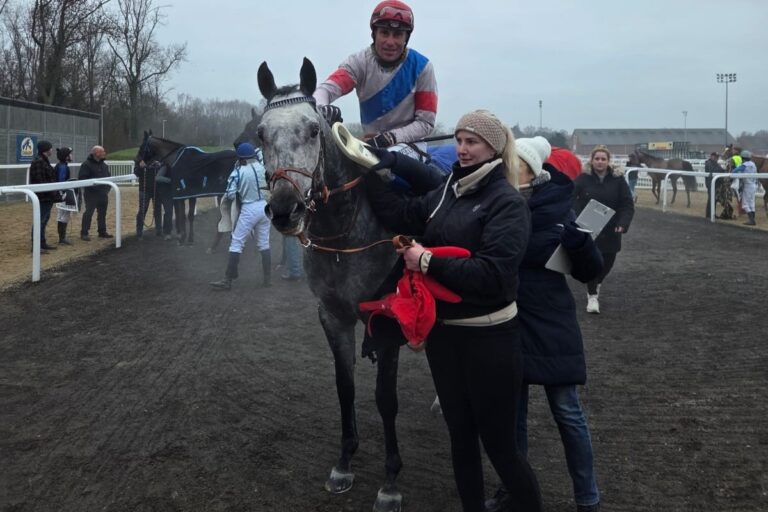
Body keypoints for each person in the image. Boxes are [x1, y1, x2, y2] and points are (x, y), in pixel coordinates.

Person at [365, 110, 542, 512]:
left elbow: (494, 275)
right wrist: (367, 170)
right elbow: (401, 214)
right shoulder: (449, 190)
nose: (462, 149)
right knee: (460, 439)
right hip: (445, 339)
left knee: (501, 449)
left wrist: (426, 262)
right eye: (459, 140)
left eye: (471, 141)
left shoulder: (508, 203)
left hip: (491, 340)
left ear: (493, 148)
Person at [486, 137, 604, 512]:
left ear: (532, 169)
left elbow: (589, 271)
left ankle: (588, 498)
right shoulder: (492, 203)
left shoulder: (559, 209)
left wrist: (581, 245)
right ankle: (515, 492)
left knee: (567, 412)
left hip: (552, 323)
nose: (505, 166)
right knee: (512, 417)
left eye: (513, 161)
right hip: (507, 320)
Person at [313, 0, 437, 147]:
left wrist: (390, 138)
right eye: (384, 33)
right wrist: (321, 109)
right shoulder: (359, 62)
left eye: (397, 35)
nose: (390, 42)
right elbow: (325, 90)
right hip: (370, 145)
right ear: (374, 34)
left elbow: (426, 123)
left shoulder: (423, 67)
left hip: (410, 145)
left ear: (406, 38)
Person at [572, 145, 634, 314]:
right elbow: (571, 199)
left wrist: (623, 222)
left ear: (608, 161)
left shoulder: (618, 180)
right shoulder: (583, 179)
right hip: (589, 227)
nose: (600, 162)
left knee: (607, 262)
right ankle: (592, 296)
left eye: (603, 159)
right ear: (591, 161)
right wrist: (577, 217)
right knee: (592, 261)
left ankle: (597, 283)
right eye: (597, 159)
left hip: (612, 228)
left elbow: (627, 204)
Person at [210, 143, 272, 290]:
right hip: (265, 208)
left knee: (236, 243)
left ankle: (227, 280)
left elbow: (231, 194)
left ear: (241, 158)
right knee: (264, 243)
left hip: (249, 208)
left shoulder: (238, 172)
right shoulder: (264, 168)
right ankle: (267, 280)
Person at [28, 140, 59, 251]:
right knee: (39, 221)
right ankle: (36, 246)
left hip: (47, 197)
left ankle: (42, 243)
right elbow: (39, 181)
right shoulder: (38, 162)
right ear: (46, 149)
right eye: (50, 148)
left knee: (44, 220)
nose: (52, 150)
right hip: (42, 198)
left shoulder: (43, 161)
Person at [78, 145, 112, 240]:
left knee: (102, 213)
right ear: (96, 153)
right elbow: (82, 179)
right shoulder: (86, 165)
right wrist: (95, 189)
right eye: (102, 151)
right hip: (91, 194)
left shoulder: (104, 165)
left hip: (103, 194)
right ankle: (84, 232)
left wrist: (106, 189)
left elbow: (109, 178)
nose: (104, 153)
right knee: (89, 213)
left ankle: (102, 231)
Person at [53, 146, 77, 246]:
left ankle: (62, 237)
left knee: (62, 216)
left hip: (60, 193)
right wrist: (63, 194)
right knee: (63, 216)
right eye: (70, 154)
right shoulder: (63, 167)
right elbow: (61, 182)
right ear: (66, 156)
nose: (71, 155)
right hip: (62, 194)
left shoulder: (61, 165)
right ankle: (62, 238)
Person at [732, 150, 758, 226]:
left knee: (745, 204)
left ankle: (751, 220)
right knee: (752, 203)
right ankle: (752, 220)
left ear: (743, 158)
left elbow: (735, 170)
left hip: (747, 186)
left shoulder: (744, 165)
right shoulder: (753, 164)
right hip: (753, 185)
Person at [704, 151, 724, 218]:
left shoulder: (714, 163)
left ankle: (712, 213)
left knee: (713, 199)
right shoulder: (709, 163)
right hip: (711, 183)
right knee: (711, 199)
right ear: (712, 156)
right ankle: (709, 214)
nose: (717, 158)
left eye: (717, 157)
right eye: (716, 157)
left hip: (714, 183)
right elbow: (714, 170)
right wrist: (722, 170)